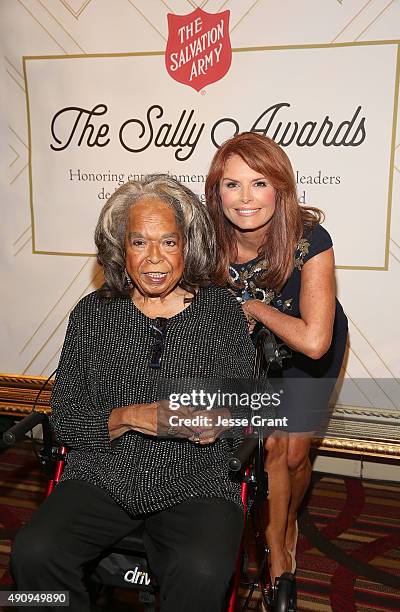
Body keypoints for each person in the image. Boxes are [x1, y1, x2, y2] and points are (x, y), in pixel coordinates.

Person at [11, 175, 257, 612]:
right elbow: (66, 416)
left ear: (188, 245)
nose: (154, 258)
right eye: (139, 242)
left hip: (196, 477)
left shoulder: (220, 312)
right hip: (104, 473)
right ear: (121, 250)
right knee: (32, 554)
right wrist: (126, 416)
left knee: (201, 571)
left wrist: (219, 421)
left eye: (168, 242)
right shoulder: (92, 314)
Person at [205, 132, 348, 582]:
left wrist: (253, 308)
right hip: (250, 351)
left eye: (259, 183)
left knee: (294, 456)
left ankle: (288, 522)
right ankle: (276, 546)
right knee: (271, 447)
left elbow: (313, 341)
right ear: (217, 191)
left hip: (308, 351)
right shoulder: (206, 238)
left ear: (280, 188)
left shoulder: (310, 239)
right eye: (232, 185)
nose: (245, 198)